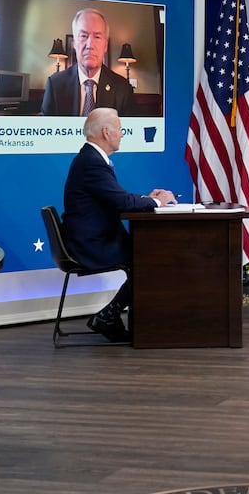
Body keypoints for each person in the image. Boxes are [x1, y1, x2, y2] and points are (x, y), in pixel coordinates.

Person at [63, 108, 177, 342]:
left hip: (96, 238)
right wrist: (158, 200)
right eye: (120, 129)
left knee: (150, 257)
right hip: (91, 245)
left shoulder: (91, 159)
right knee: (150, 260)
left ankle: (109, 316)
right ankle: (107, 316)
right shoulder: (92, 162)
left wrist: (147, 199)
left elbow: (116, 198)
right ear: (106, 132)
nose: (122, 134)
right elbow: (121, 201)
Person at [41, 7, 135, 116]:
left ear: (105, 45)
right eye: (84, 36)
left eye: (97, 37)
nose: (90, 45)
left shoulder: (123, 88)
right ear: (75, 43)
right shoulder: (55, 85)